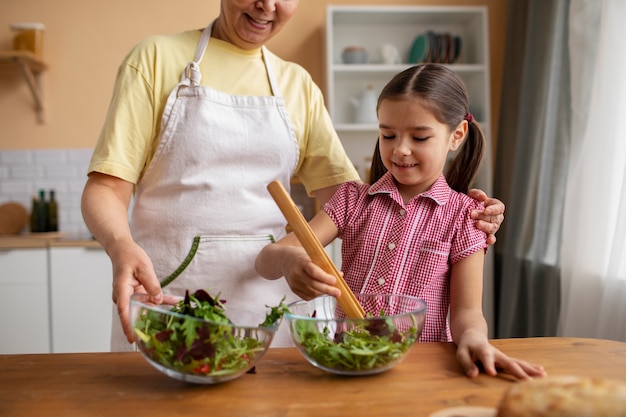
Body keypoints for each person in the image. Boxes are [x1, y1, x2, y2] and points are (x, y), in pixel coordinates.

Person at [81, 1, 505, 351]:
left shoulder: (296, 85)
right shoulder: (155, 58)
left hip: (274, 311)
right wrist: (121, 246)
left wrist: (468, 210)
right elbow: (106, 187)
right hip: (172, 292)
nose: (268, 5)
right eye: (389, 134)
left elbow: (361, 200)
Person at [256, 64, 546, 380]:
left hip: (422, 372)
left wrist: (475, 339)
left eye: (419, 137)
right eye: (388, 134)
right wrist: (289, 260)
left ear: (456, 136)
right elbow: (266, 261)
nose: (400, 149)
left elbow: (467, 312)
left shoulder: (466, 216)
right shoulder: (353, 200)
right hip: (348, 362)